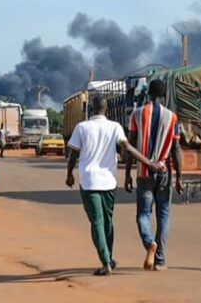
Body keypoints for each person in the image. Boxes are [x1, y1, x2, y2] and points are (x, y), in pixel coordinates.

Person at [66, 97, 160, 276]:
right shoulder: (115, 127)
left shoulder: (82, 127)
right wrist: (148, 162)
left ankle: (105, 262)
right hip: (109, 182)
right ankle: (109, 257)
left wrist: (69, 174)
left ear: (91, 109)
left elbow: (73, 154)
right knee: (108, 221)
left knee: (97, 222)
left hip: (89, 182)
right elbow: (128, 149)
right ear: (107, 109)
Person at [125, 79, 183, 271]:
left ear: (148, 94)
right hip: (164, 172)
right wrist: (179, 177)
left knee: (143, 214)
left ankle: (150, 242)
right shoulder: (172, 117)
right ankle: (160, 260)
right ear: (164, 95)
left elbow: (130, 146)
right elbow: (176, 148)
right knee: (163, 215)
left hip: (144, 171)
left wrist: (127, 174)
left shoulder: (137, 114)